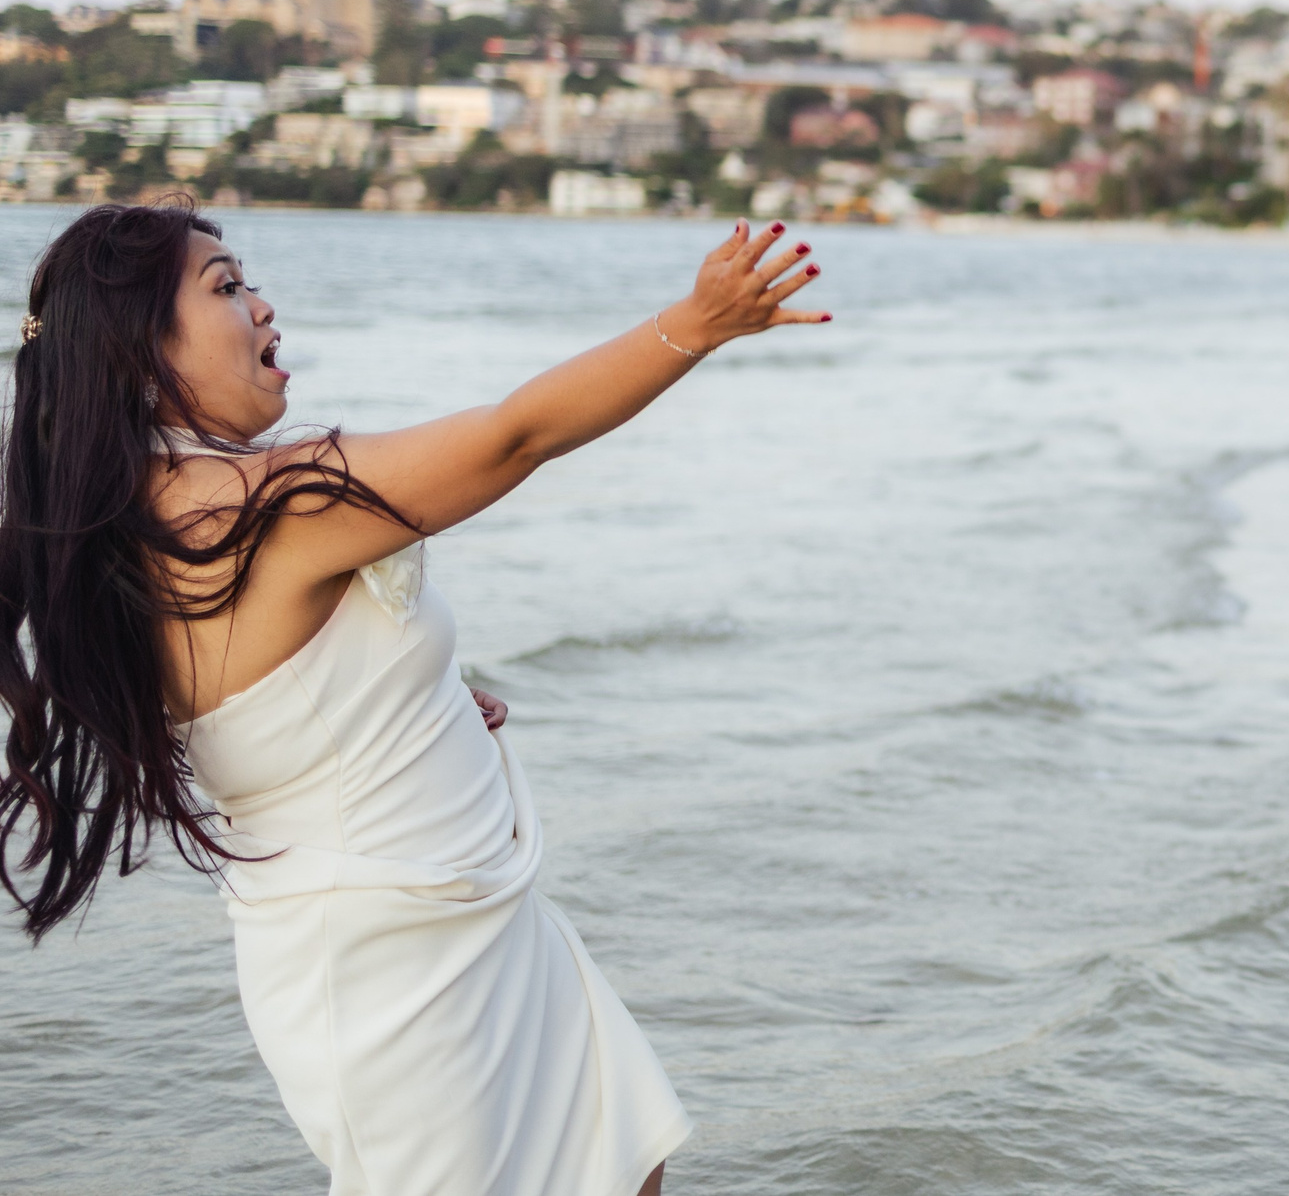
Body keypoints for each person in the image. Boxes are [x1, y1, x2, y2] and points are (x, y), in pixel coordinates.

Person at [0, 203, 828, 1196]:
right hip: (395, 970)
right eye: (225, 288)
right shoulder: (264, 503)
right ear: (138, 345)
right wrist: (693, 324)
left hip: (463, 920)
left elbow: (258, 701)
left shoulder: (143, 515)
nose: (264, 307)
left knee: (621, 1166)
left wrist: (404, 701)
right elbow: (513, 438)